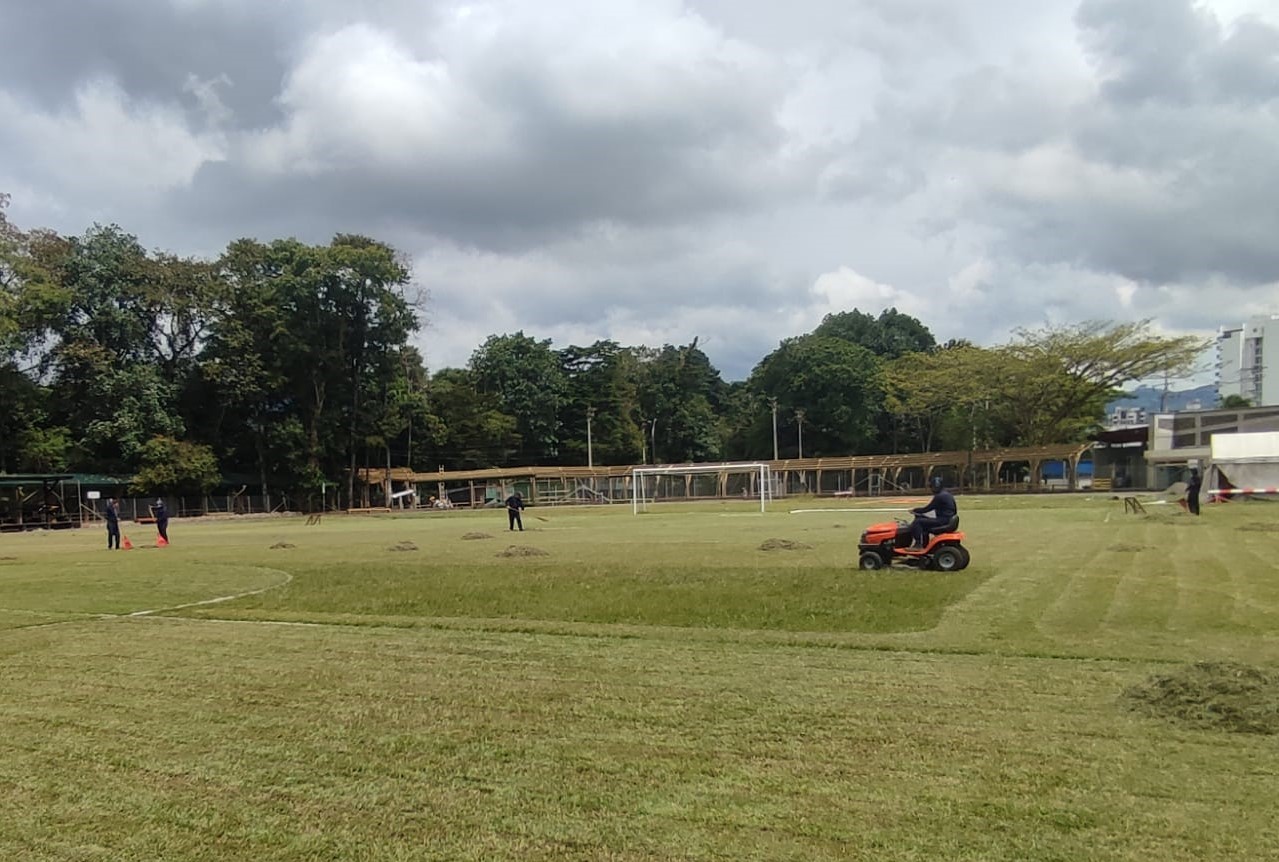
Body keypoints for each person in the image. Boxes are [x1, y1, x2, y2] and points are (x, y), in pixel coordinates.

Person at [909, 476, 957, 549]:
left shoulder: (939, 496)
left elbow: (927, 509)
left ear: (935, 487)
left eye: (931, 487)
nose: (931, 489)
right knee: (922, 520)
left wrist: (915, 510)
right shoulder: (947, 494)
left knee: (917, 522)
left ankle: (918, 544)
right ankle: (925, 545)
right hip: (948, 519)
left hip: (943, 521)